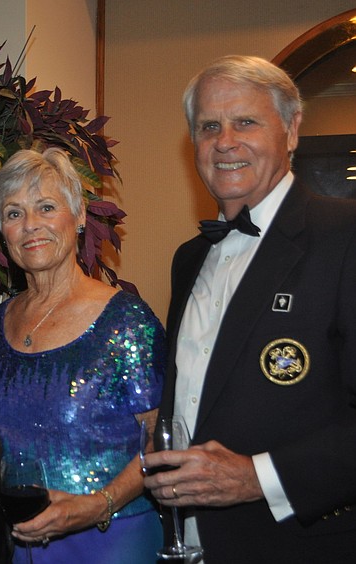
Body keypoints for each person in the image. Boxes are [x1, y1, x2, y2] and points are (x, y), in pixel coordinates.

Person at [143, 55, 356, 563]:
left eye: (246, 122)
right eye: (209, 126)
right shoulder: (188, 258)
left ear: (292, 130)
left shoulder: (345, 236)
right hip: (187, 547)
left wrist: (258, 477)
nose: (225, 141)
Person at [0, 147, 165, 563]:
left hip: (112, 539)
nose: (31, 226)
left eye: (46, 207)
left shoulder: (125, 319)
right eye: (14, 214)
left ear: (80, 216)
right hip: (24, 541)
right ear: (1, 231)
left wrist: (100, 503)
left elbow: (162, 438)